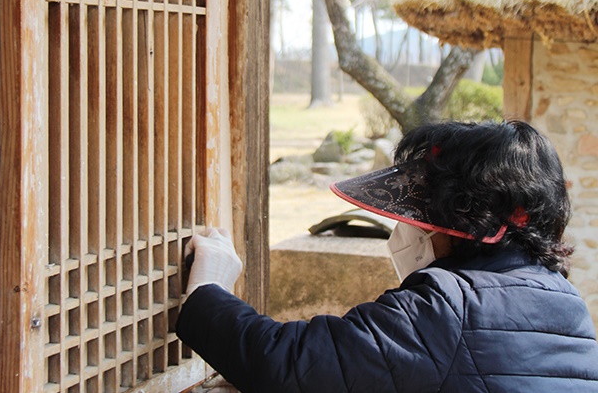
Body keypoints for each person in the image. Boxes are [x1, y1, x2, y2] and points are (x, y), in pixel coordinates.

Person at [176, 120, 598, 392]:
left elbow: (288, 365)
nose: (406, 229)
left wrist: (208, 290)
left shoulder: (446, 307)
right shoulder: (568, 304)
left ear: (458, 221)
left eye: (419, 216)